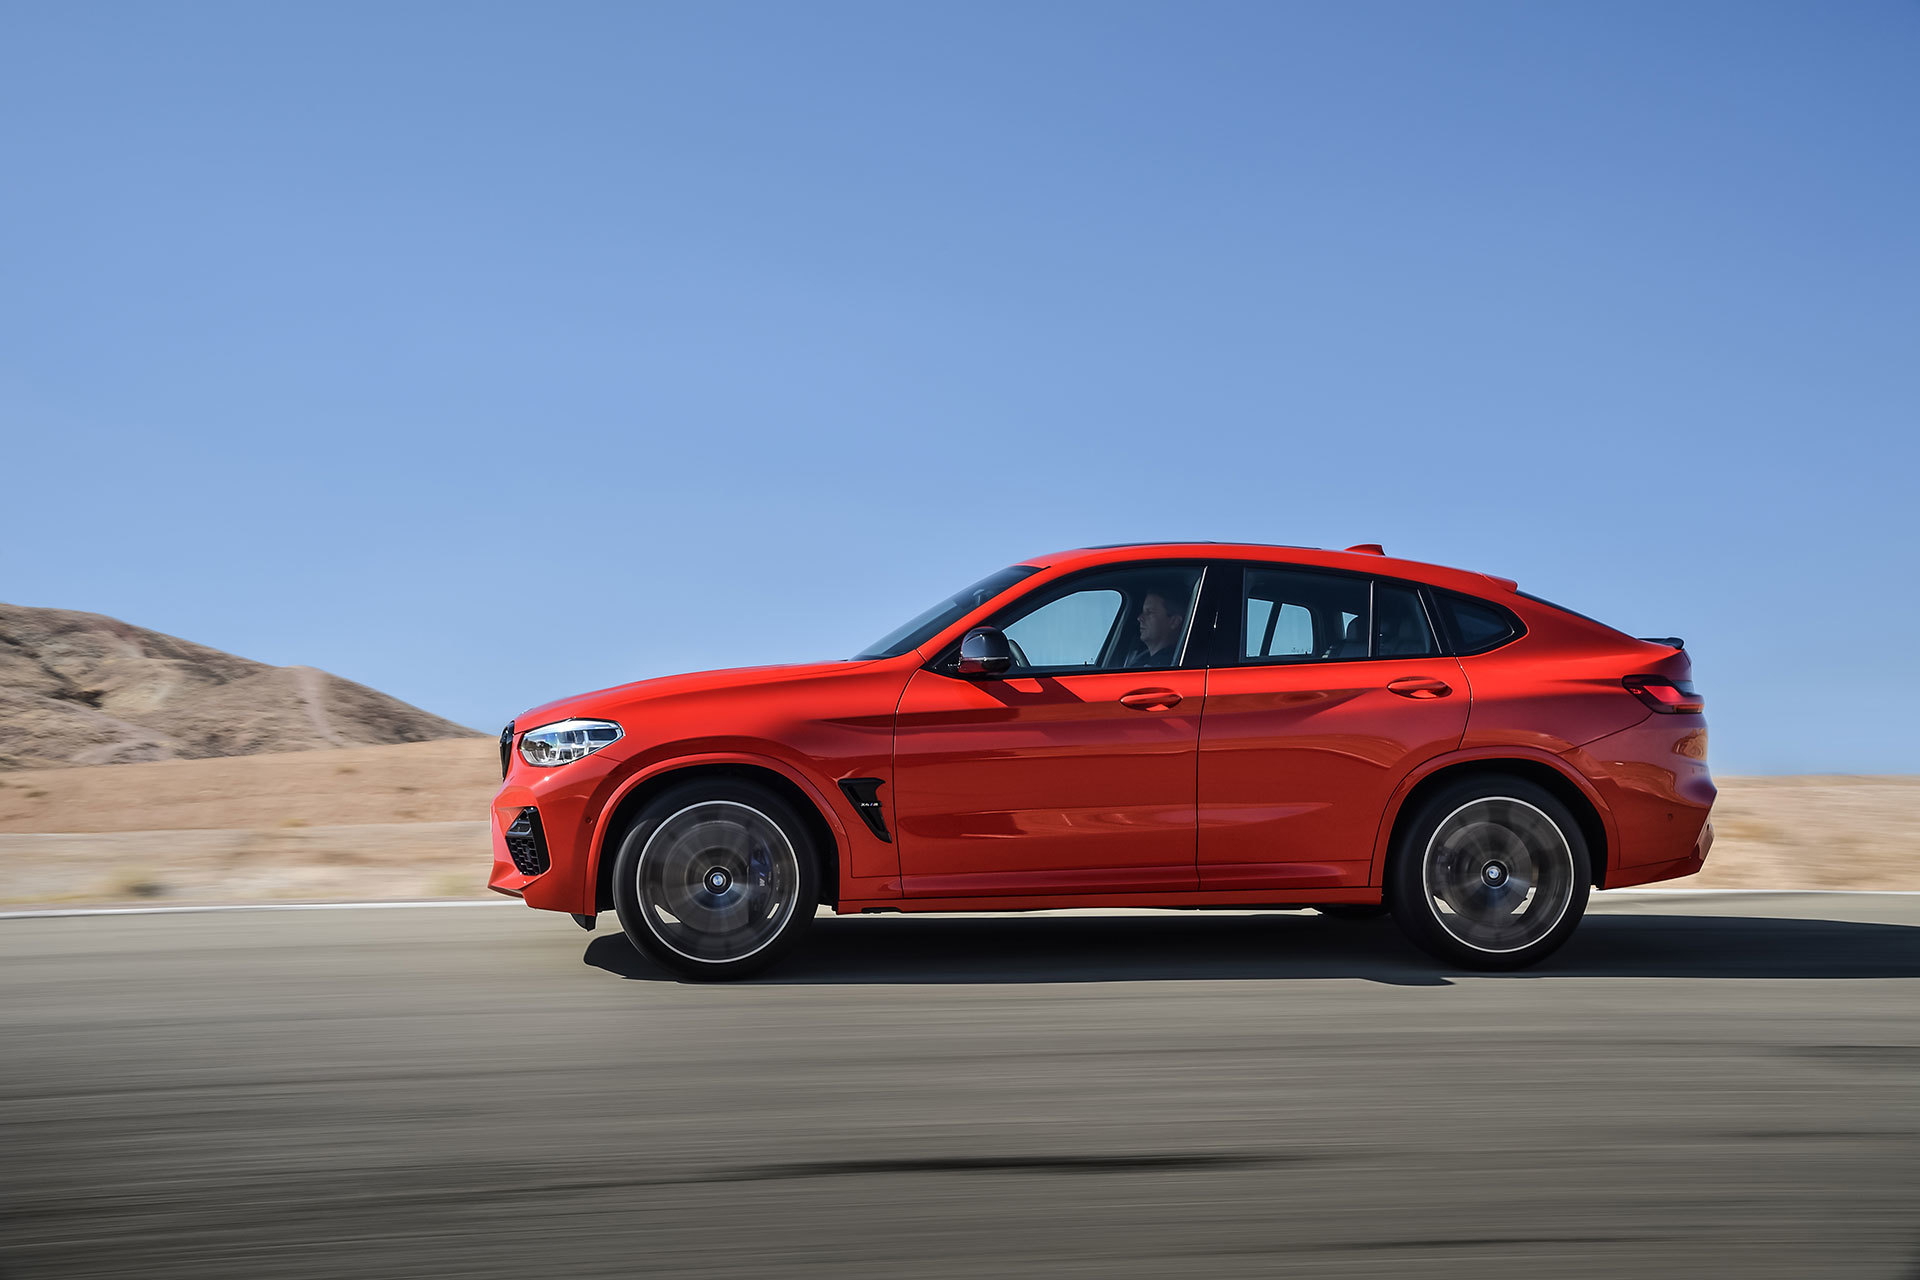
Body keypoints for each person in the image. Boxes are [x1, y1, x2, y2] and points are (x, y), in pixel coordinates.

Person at [1123, 584, 1187, 667]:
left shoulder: (1168, 666)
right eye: (1143, 612)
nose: (1140, 618)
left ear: (1174, 622)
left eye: (1149, 612)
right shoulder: (1142, 659)